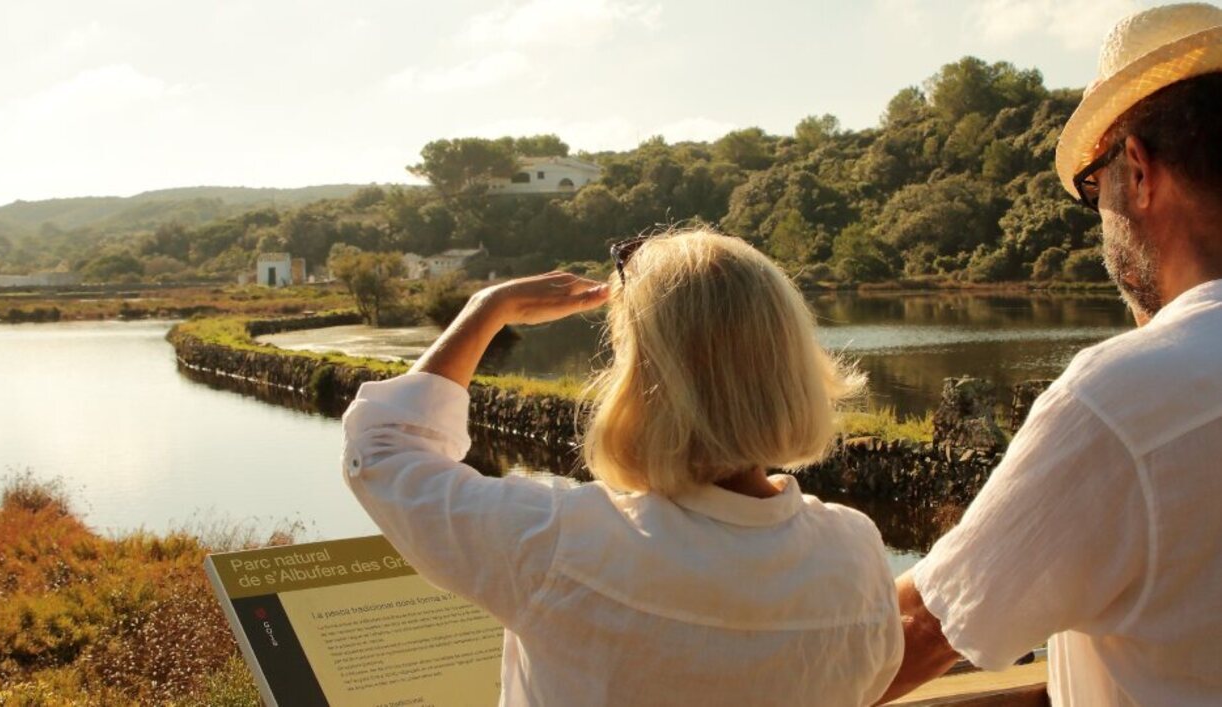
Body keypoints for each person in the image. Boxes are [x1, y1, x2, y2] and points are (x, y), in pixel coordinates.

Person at [343, 229, 903, 706]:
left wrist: (487, 310)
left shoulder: (561, 542)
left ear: (642, 380)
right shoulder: (853, 553)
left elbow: (384, 448)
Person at [881, 4, 1222, 704]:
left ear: (1138, 169)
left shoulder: (1124, 401)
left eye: (1093, 187)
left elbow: (913, 630)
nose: (1099, 214)